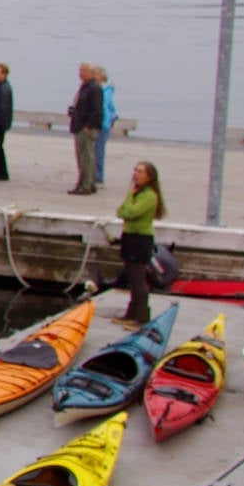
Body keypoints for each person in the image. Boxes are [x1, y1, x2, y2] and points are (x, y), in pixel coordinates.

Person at [115, 162, 165, 325]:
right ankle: (131, 312)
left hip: (140, 239)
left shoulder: (149, 195)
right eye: (135, 170)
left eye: (140, 171)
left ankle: (142, 316)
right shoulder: (136, 193)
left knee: (138, 278)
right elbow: (120, 211)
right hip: (129, 236)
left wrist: (129, 198)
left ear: (149, 177)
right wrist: (128, 205)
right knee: (131, 276)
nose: (135, 174)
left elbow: (131, 212)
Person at [67, 62, 105, 194]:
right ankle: (85, 182)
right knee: (82, 157)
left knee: (86, 158)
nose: (81, 73)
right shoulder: (84, 87)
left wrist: (89, 126)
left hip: (86, 128)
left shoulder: (94, 88)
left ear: (91, 72)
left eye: (84, 70)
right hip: (79, 125)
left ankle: (86, 185)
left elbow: (97, 110)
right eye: (80, 70)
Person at [93, 66, 117, 185]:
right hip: (94, 123)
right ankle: (93, 174)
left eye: (97, 73)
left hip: (103, 124)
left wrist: (113, 116)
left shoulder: (106, 90)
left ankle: (98, 176)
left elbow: (110, 106)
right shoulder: (93, 88)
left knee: (99, 150)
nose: (94, 75)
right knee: (92, 150)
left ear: (102, 76)